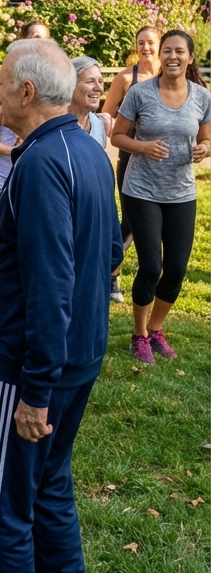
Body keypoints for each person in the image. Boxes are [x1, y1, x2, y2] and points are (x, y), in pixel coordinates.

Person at [0, 39, 121, 573]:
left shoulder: (39, 162)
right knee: (50, 487)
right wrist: (5, 252)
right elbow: (104, 252)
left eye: (3, 82)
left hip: (33, 369)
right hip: (80, 356)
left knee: (2, 507)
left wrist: (34, 388)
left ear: (27, 91)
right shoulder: (86, 151)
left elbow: (55, 279)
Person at [111, 30, 210, 365]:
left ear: (190, 57)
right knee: (151, 266)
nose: (172, 56)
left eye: (179, 51)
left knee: (177, 269)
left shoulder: (201, 96)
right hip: (142, 190)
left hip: (181, 193)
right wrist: (143, 147)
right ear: (161, 56)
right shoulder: (140, 93)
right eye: (167, 50)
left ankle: (156, 329)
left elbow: (207, 138)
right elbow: (118, 135)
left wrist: (204, 149)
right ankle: (138, 335)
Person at [103, 26, 160, 302]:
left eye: (151, 43)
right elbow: (105, 114)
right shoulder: (126, 78)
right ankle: (110, 274)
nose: (146, 48)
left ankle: (147, 272)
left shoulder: (171, 76)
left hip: (164, 162)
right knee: (131, 219)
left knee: (154, 220)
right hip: (131, 157)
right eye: (141, 43)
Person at [0, 19, 51, 207]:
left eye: (44, 40)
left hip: (38, 182)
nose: (40, 44)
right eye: (35, 38)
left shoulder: (52, 91)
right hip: (3, 182)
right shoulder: (7, 90)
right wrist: (14, 152)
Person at [69, 56, 112, 147]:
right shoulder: (54, 125)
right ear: (71, 85)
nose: (99, 88)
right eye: (90, 81)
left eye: (100, 81)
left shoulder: (100, 125)